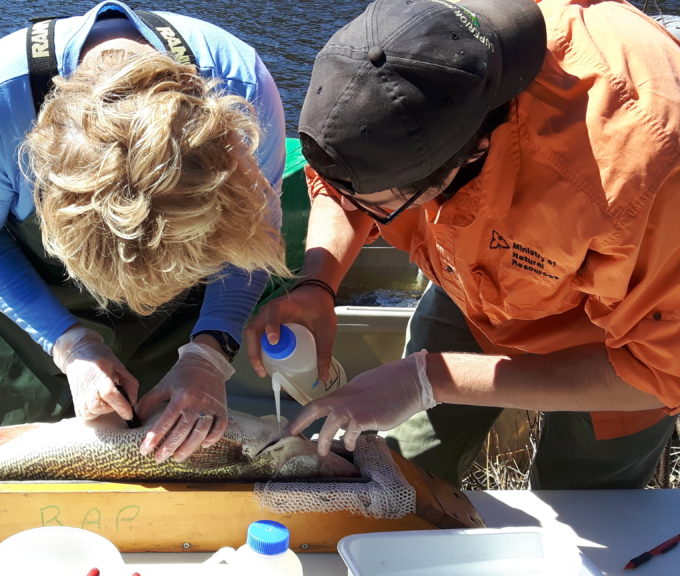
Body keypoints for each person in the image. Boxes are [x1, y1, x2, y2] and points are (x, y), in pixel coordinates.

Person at [245, 0, 680, 489]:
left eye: (384, 204)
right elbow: (341, 190)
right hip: (471, 284)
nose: (359, 209)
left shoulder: (649, 166)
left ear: (469, 154)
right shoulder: (399, 42)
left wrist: (429, 379)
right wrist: (317, 283)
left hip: (611, 343)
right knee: (400, 468)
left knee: (585, 502)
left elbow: (659, 370)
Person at [0, 1, 290, 463]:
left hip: (196, 293)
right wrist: (69, 343)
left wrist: (210, 352)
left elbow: (252, 241)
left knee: (158, 453)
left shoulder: (245, 94)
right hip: (30, 284)